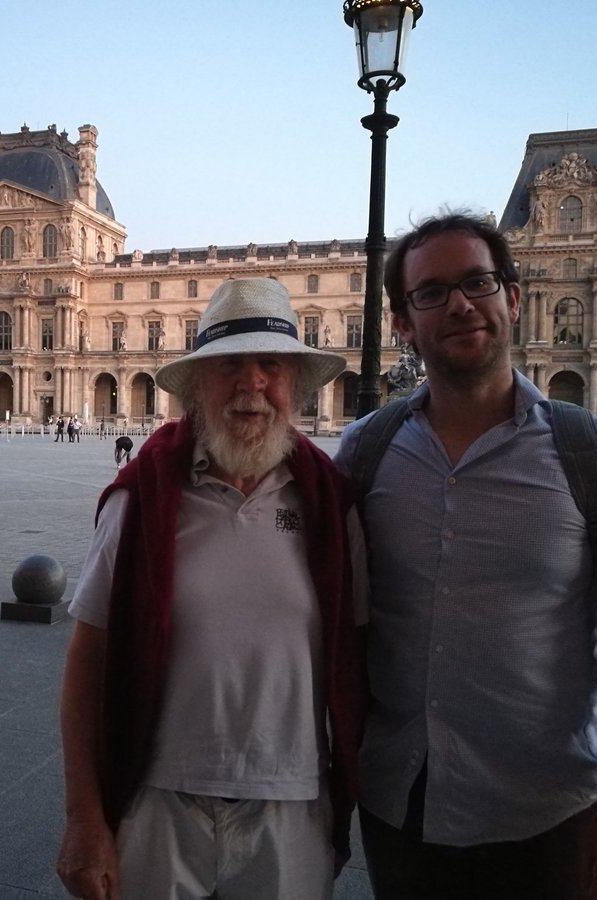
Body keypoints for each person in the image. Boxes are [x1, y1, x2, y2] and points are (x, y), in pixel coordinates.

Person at [334, 213, 597, 900]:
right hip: (401, 806)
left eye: (477, 282)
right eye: (431, 293)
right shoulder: (365, 453)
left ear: (513, 299)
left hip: (548, 813)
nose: (460, 304)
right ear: (403, 323)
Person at [57, 278, 365, 900]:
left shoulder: (334, 505)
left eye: (270, 365)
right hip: (156, 797)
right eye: (229, 365)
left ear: (296, 385)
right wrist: (84, 816)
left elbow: (363, 662)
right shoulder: (141, 501)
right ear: (199, 385)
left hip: (293, 801)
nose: (251, 385)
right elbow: (87, 663)